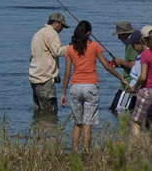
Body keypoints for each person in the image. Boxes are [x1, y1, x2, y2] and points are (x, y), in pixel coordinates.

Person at [61, 20, 129, 152]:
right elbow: (106, 66)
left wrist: (63, 93)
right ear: (88, 33)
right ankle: (86, 151)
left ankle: (75, 152)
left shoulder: (70, 48)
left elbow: (67, 73)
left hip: (75, 87)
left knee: (77, 123)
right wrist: (121, 78)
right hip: (91, 86)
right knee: (88, 122)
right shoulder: (95, 46)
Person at [29, 13, 69, 112]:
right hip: (44, 80)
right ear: (56, 23)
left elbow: (42, 57)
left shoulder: (37, 34)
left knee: (39, 111)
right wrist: (71, 47)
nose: (62, 29)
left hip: (34, 79)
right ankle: (49, 128)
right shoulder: (51, 32)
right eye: (62, 25)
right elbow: (58, 51)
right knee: (50, 112)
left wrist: (55, 76)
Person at [110, 21, 140, 111]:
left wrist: (121, 62)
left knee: (117, 111)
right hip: (131, 86)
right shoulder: (129, 45)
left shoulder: (133, 45)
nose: (118, 38)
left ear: (126, 34)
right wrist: (120, 64)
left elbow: (133, 66)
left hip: (128, 86)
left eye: (120, 35)